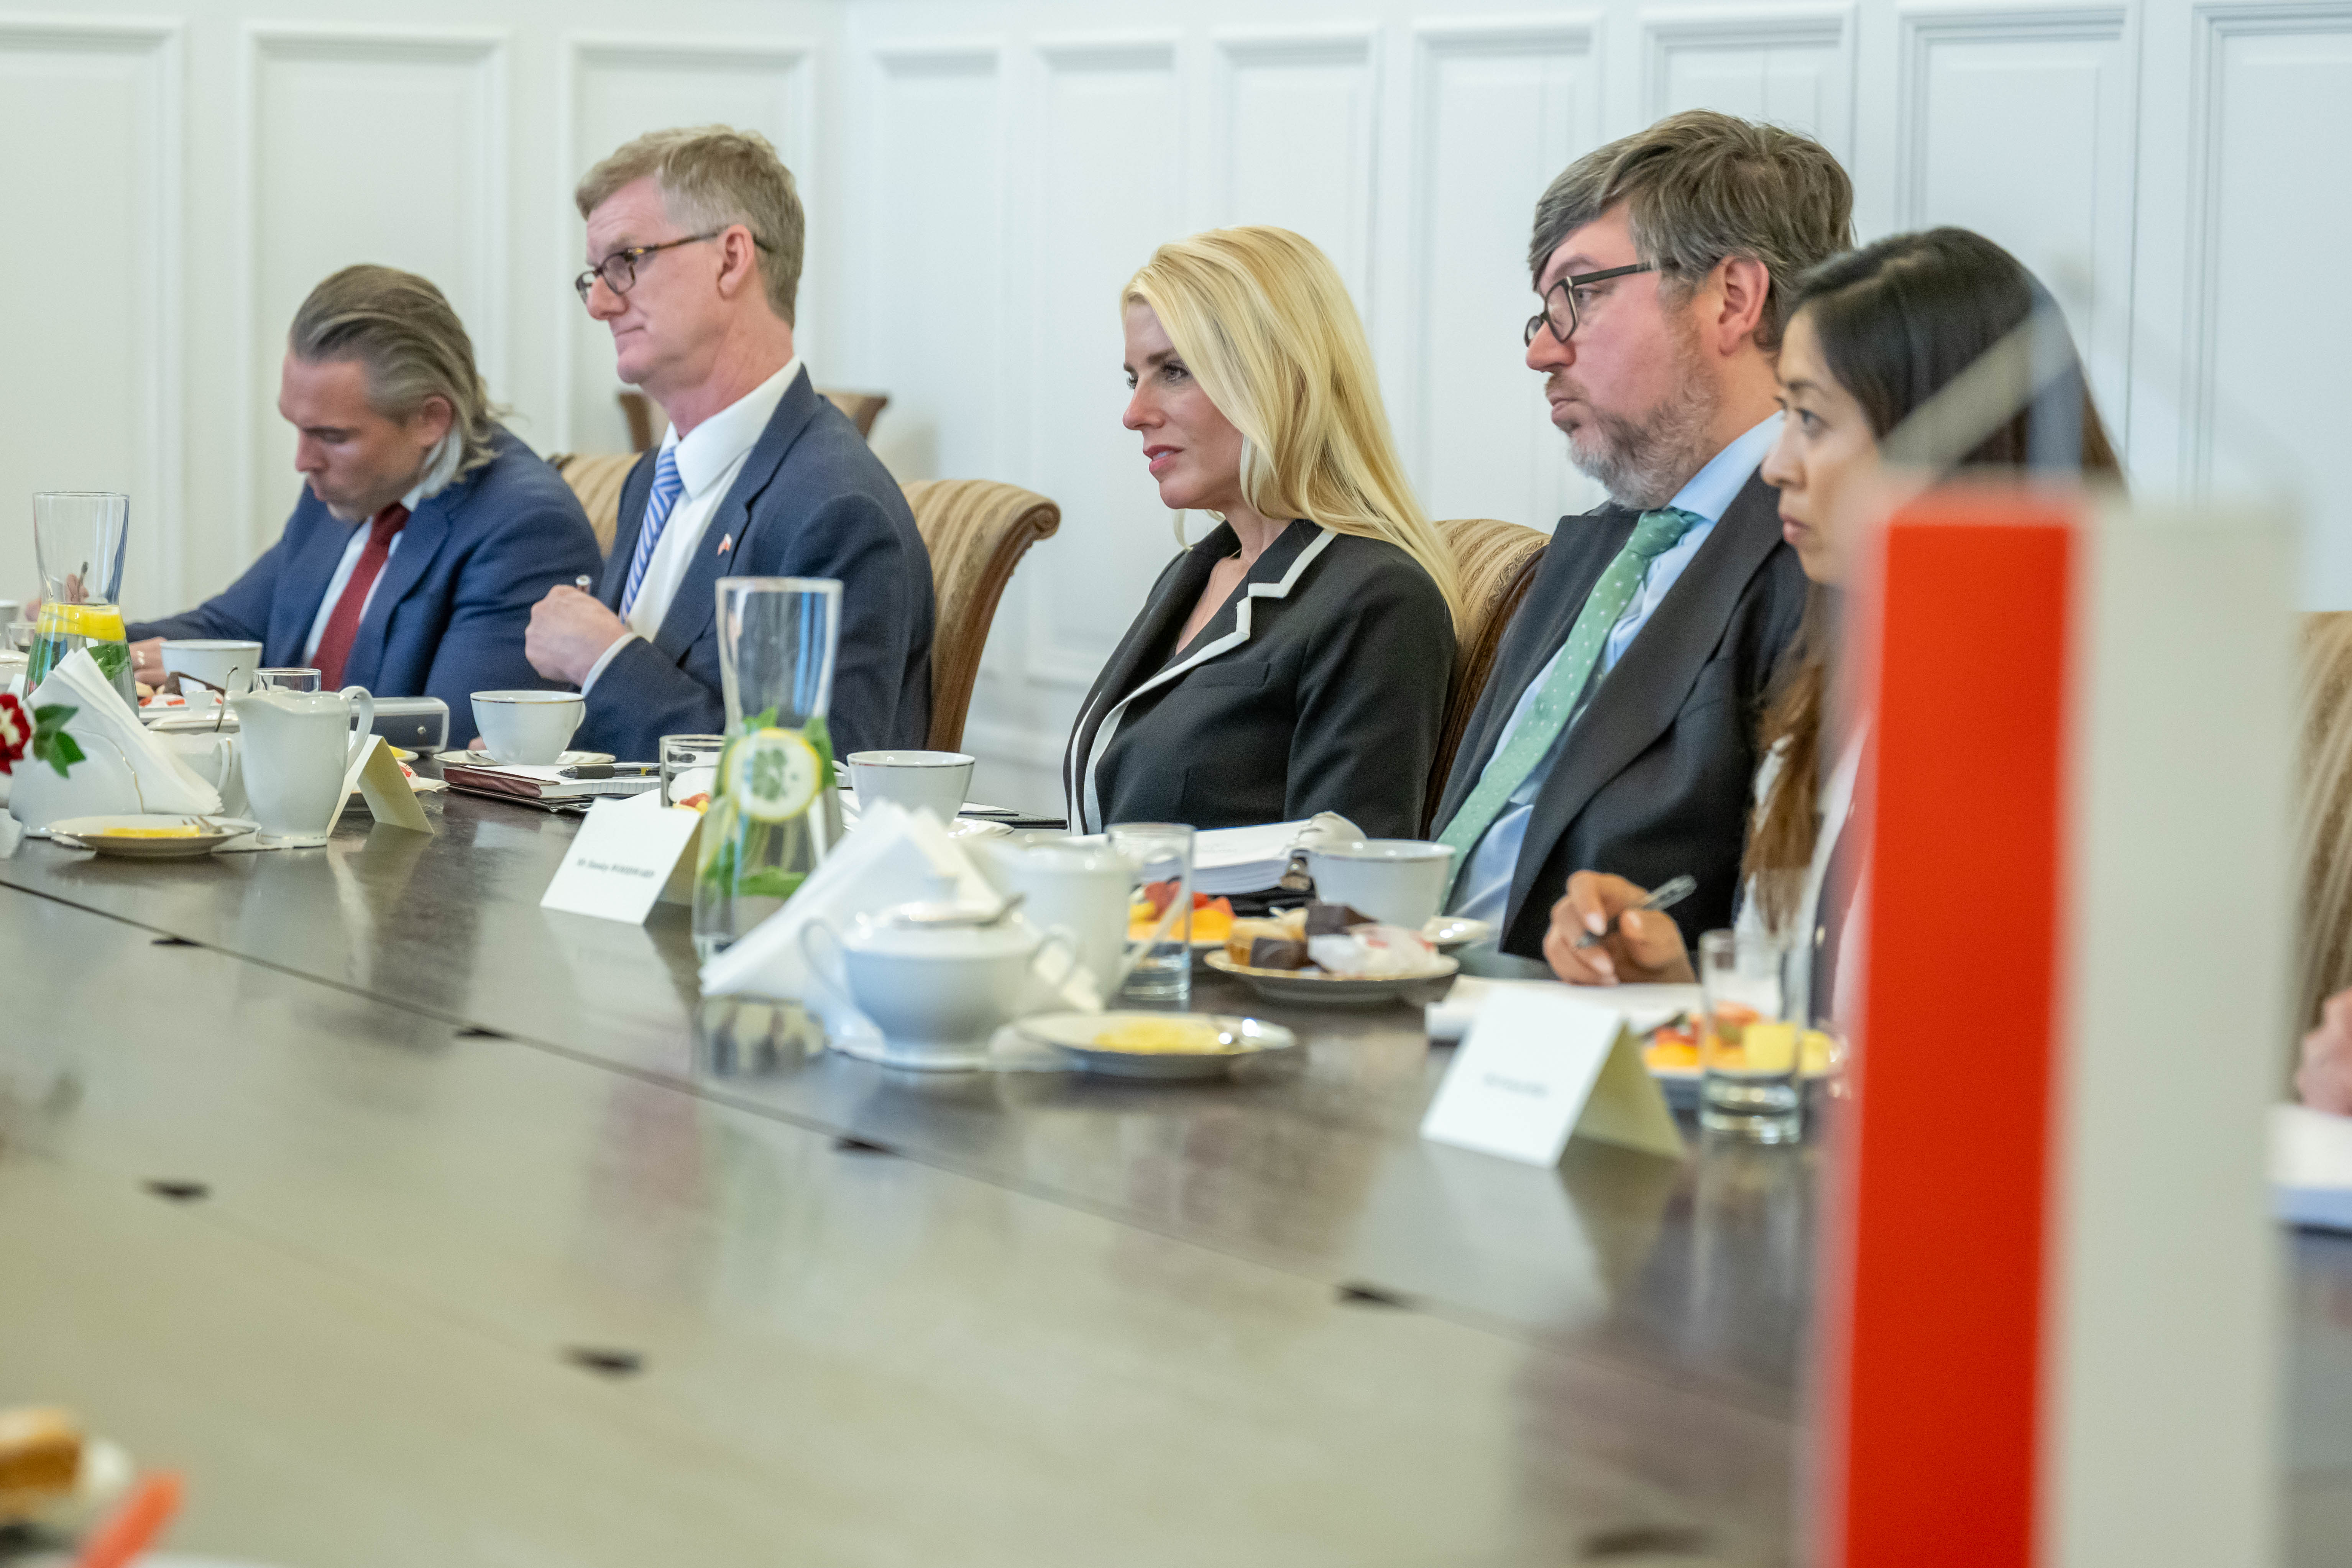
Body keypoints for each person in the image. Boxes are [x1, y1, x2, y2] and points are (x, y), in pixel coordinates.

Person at [1541, 227, 2124, 1024]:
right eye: (1784, 415)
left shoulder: (2079, 730)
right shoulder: (1835, 682)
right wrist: (1672, 987)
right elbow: (1803, 1025)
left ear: (1939, 443)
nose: (1777, 464)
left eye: (1811, 420)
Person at [1427, 112, 1844, 971]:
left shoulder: (1821, 566)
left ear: (1733, 299)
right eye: (1542, 312)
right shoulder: (1592, 549)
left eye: (1579, 295)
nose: (1542, 351)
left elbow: (1800, 947)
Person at [524, 125, 935, 762]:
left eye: (626, 261)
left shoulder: (837, 509)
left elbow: (808, 777)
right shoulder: (652, 480)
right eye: (595, 274)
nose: (599, 303)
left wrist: (605, 658)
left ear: (731, 258)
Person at [1062, 226, 1461, 838]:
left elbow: (1341, 878)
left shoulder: (1379, 599)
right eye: (1133, 378)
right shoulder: (1193, 572)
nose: (1134, 413)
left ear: (1281, 378)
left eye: (1174, 371)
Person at [127, 266, 599, 746]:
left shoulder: (525, 528)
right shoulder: (348, 485)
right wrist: (91, 636)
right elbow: (226, 629)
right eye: (297, 427)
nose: (303, 461)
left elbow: (448, 743)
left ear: (430, 419)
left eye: (332, 436)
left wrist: (247, 701)